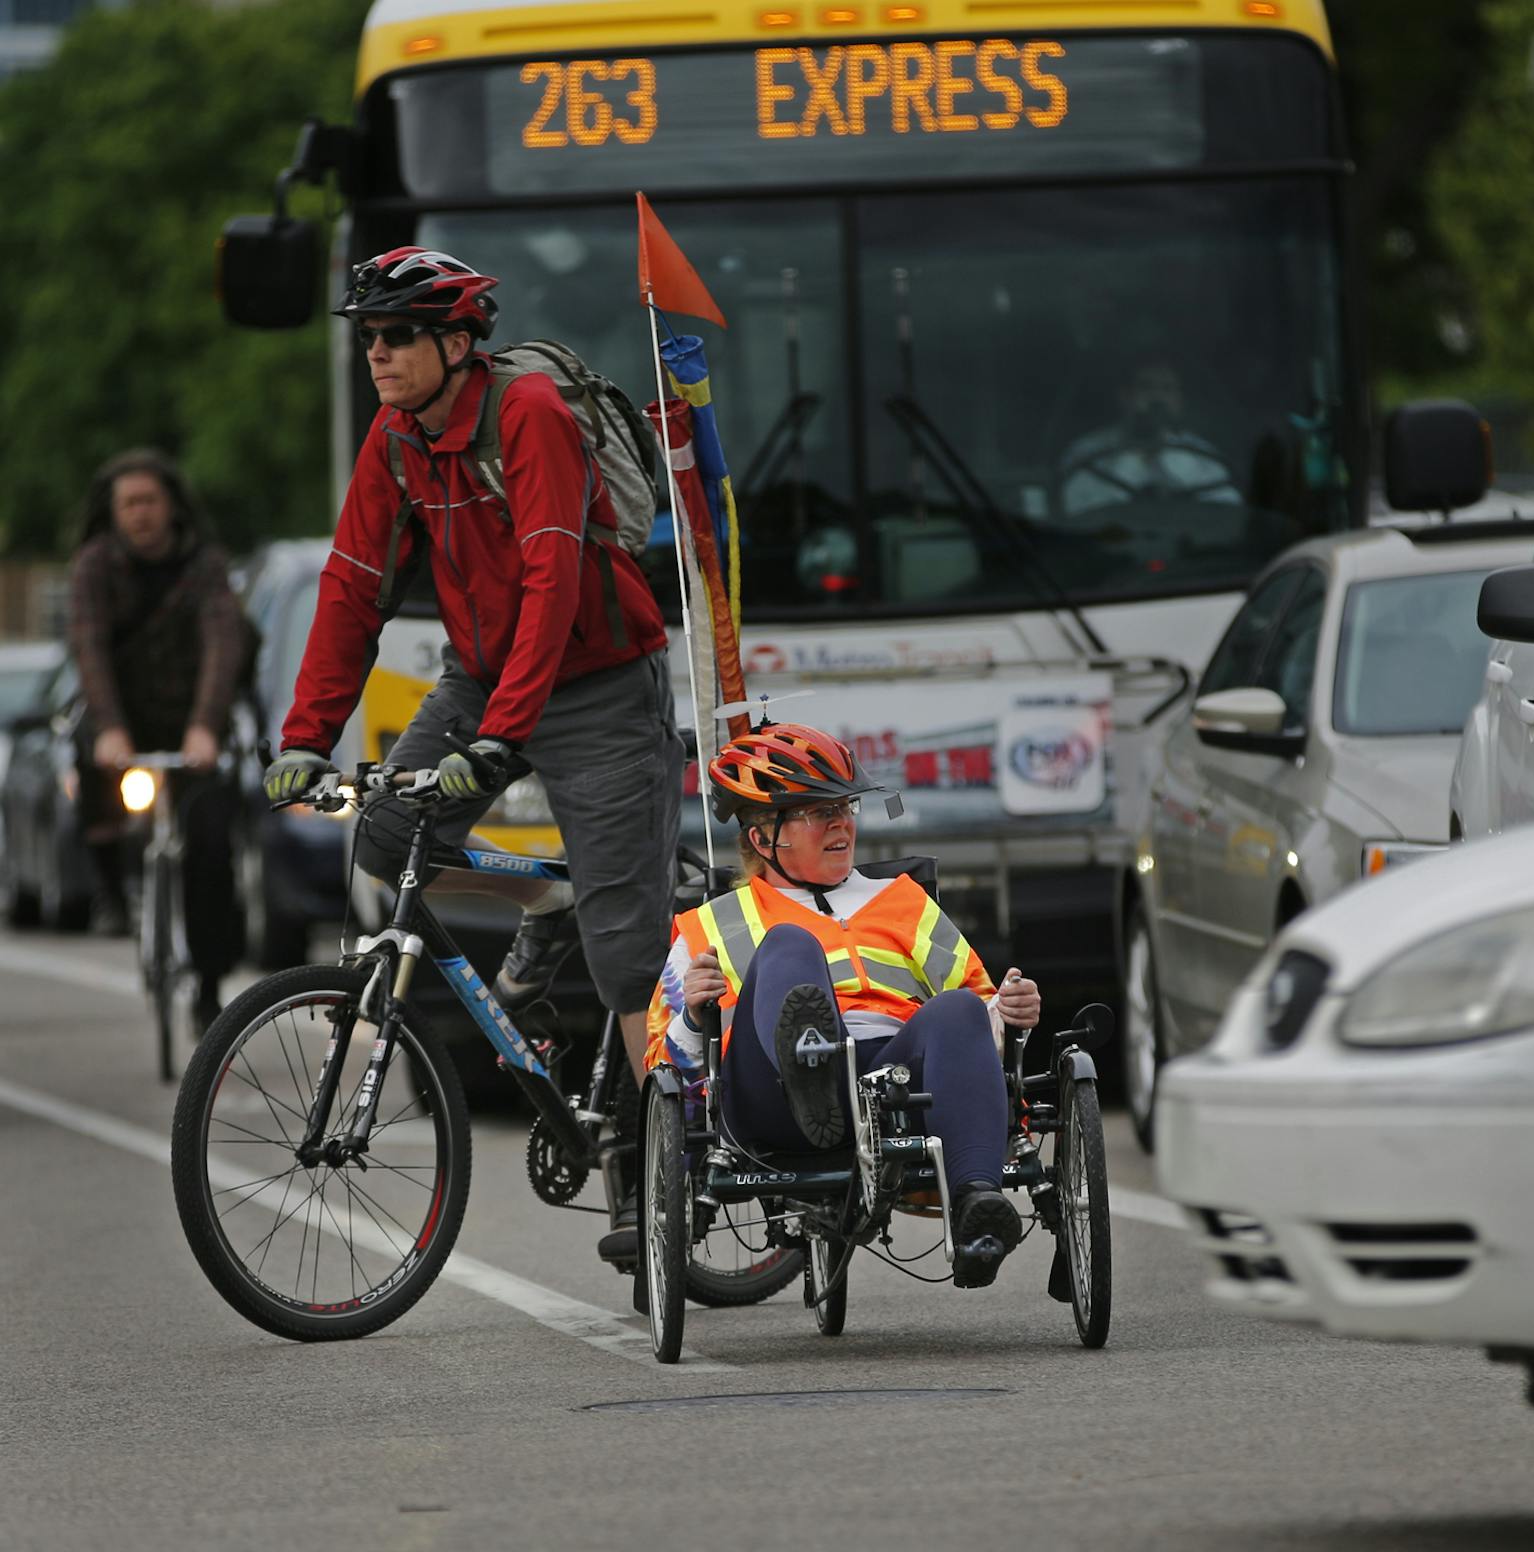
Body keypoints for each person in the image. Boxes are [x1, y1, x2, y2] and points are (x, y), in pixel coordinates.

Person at [263, 249, 685, 1263]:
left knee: (630, 954)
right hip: (481, 676)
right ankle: (544, 905)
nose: (378, 354)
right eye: (368, 338)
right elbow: (353, 584)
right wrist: (303, 736)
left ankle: (646, 1169)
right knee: (387, 835)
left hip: (597, 682)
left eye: (397, 336)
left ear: (458, 342)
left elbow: (552, 575)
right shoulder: (398, 437)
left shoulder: (529, 411)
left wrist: (505, 734)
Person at [647, 723, 1043, 1289]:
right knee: (788, 945)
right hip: (772, 1099)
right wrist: (693, 1017)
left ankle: (979, 1208)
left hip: (894, 1081)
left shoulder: (904, 900)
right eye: (815, 812)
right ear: (763, 840)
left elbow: (981, 1020)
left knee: (956, 1008)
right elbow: (664, 1067)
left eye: (845, 806)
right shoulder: (709, 926)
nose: (841, 823)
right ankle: (813, 1070)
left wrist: (1009, 1010)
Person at [66, 447, 244, 1030]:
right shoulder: (94, 566)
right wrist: (110, 729)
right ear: (112, 511)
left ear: (170, 505)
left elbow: (223, 644)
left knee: (212, 842)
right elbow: (89, 649)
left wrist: (206, 726)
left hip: (193, 725)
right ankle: (110, 892)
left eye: (149, 500)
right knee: (86, 760)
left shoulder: (205, 565)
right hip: (121, 719)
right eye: (128, 503)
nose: (139, 513)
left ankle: (210, 987)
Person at [1057, 357, 1240, 521]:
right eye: (1146, 387)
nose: (1157, 398)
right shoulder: (1086, 451)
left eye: (1167, 389)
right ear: (1125, 396)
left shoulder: (1203, 456)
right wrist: (1131, 456)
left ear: (1178, 401)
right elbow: (1073, 512)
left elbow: (1227, 513)